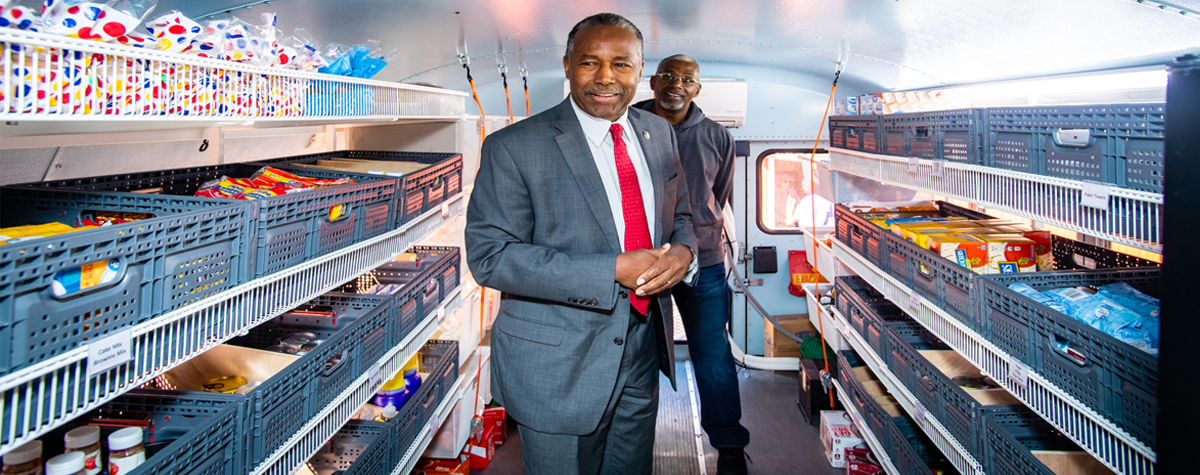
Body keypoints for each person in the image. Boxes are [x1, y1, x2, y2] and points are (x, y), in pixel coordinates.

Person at [465, 12, 697, 475]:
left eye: (621, 64)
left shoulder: (659, 135)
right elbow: (491, 257)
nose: (605, 78)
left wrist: (685, 254)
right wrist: (611, 269)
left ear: (640, 70)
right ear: (568, 65)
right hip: (558, 361)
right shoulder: (514, 146)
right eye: (590, 63)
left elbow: (683, 217)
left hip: (642, 346)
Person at [634, 55, 750, 475]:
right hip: (640, 260)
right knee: (633, 352)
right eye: (667, 75)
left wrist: (699, 235)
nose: (675, 84)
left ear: (697, 89)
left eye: (686, 79)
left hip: (702, 259)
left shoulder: (717, 136)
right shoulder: (626, 125)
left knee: (712, 353)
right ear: (652, 81)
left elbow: (718, 197)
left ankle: (730, 446)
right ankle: (626, 444)